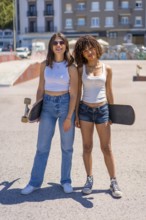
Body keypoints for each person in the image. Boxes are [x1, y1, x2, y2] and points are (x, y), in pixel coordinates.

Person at [21, 33, 78, 195]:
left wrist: (69, 117)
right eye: (55, 43)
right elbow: (40, 88)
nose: (58, 45)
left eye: (61, 43)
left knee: (67, 147)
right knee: (42, 147)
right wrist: (37, 109)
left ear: (66, 45)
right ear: (51, 46)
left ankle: (66, 181)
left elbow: (74, 94)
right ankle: (34, 182)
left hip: (66, 105)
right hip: (47, 106)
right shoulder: (44, 65)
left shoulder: (71, 67)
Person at [74, 35, 122, 198]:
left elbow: (109, 91)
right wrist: (76, 115)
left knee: (106, 148)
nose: (89, 52)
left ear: (96, 48)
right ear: (82, 53)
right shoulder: (81, 69)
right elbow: (78, 92)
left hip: (102, 110)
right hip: (85, 111)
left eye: (91, 48)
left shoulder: (107, 68)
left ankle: (113, 181)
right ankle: (89, 179)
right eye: (85, 50)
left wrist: (113, 113)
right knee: (87, 147)